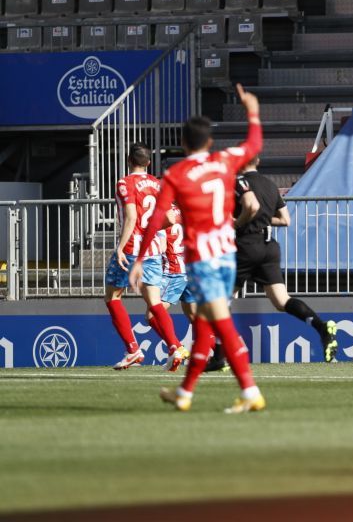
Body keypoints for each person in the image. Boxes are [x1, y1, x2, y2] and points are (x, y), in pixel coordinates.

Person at [130, 84, 265, 414]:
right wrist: (252, 110)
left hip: (203, 260)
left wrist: (139, 258)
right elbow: (254, 144)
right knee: (204, 325)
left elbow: (156, 218)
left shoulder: (176, 173)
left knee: (221, 324)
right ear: (209, 142)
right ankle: (184, 393)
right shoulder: (224, 160)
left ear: (182, 143)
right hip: (226, 254)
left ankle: (250, 391)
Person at [204, 155, 337, 371]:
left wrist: (238, 223)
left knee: (220, 299)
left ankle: (220, 357)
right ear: (258, 162)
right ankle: (321, 327)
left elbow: (250, 206)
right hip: (269, 246)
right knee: (281, 300)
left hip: (246, 244)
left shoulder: (239, 182)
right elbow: (285, 220)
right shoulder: (270, 184)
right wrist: (262, 220)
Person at [104, 142, 186, 371]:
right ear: (148, 162)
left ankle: (132, 349)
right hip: (154, 249)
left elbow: (130, 216)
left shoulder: (124, 182)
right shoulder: (158, 184)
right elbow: (169, 218)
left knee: (113, 297)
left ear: (129, 160)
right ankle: (175, 346)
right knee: (154, 302)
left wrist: (120, 247)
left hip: (132, 247)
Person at [146, 203, 198, 370]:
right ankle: (218, 354)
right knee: (194, 315)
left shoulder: (162, 212)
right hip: (191, 268)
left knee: (152, 314)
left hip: (174, 272)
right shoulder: (187, 210)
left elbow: (161, 246)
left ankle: (177, 347)